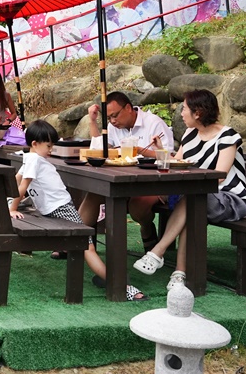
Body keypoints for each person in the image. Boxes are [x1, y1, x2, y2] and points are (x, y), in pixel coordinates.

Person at [11, 120, 147, 301]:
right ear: (35, 144)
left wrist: (8, 203)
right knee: (87, 247)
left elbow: (15, 181)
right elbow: (22, 186)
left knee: (83, 237)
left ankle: (107, 277)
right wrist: (12, 208)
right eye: (49, 146)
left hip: (53, 210)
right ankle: (122, 285)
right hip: (61, 209)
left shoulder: (28, 158)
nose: (51, 150)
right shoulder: (35, 160)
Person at [133, 89, 246, 291]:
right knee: (193, 204)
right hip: (198, 197)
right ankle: (179, 274)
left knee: (193, 199)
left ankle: (158, 251)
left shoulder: (228, 136)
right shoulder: (189, 134)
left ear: (198, 112)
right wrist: (161, 150)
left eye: (184, 109)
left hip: (230, 198)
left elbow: (220, 175)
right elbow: (177, 163)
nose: (181, 114)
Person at [76, 91, 175, 252]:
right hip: (123, 180)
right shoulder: (114, 127)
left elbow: (169, 157)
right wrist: (93, 122)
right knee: (94, 194)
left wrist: (140, 150)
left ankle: (146, 228)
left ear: (128, 108)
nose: (113, 121)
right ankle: (75, 242)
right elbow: (100, 148)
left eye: (115, 115)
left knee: (137, 206)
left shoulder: (153, 123)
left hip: (154, 182)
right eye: (109, 118)